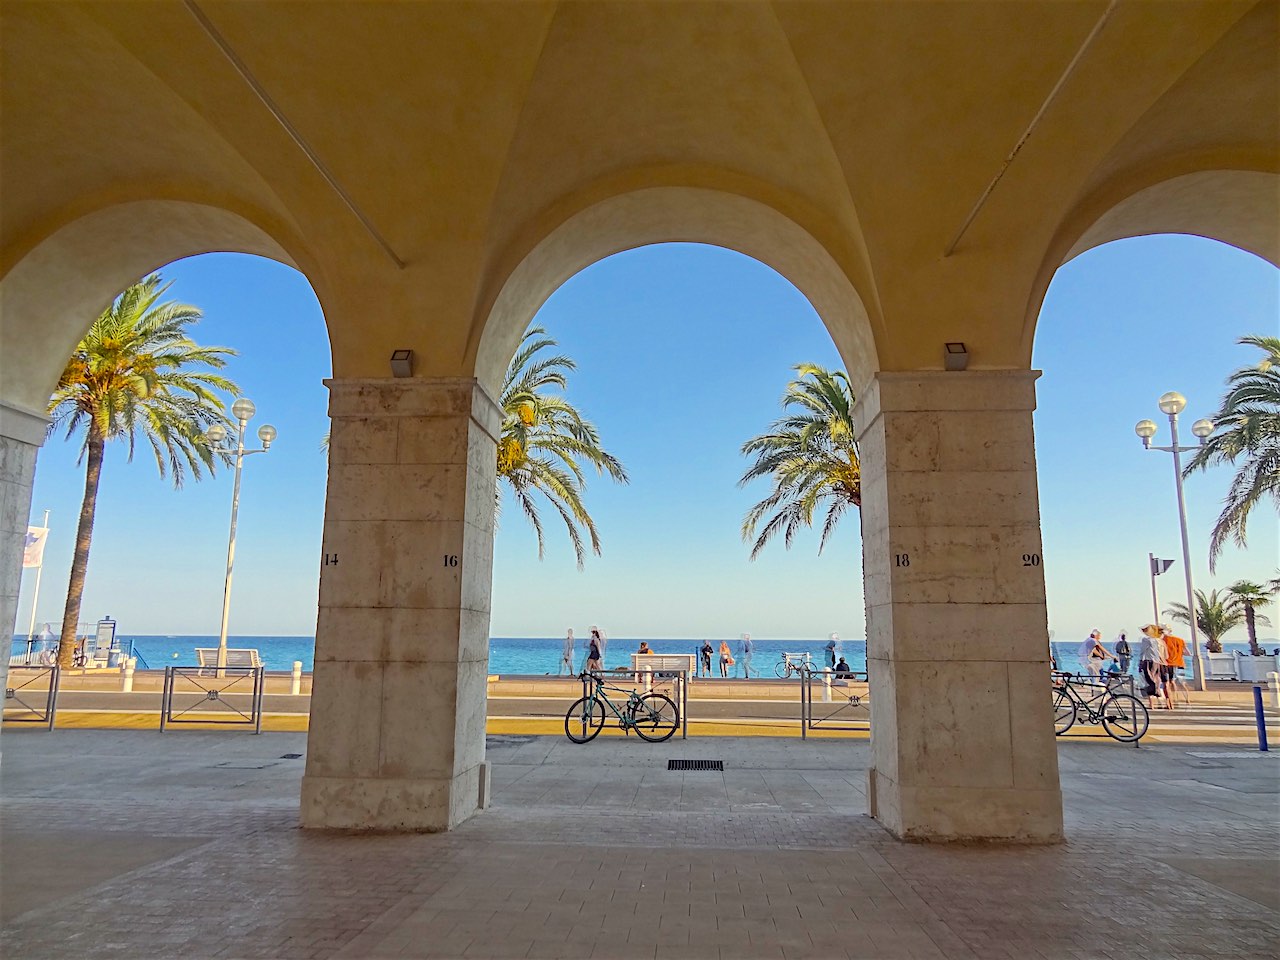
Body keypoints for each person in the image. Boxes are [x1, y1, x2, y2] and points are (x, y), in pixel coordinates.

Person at [1138, 624, 1169, 710]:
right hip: (1160, 663)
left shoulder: (1146, 640)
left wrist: (1140, 662)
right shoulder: (1160, 641)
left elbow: (1142, 652)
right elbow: (1166, 656)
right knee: (1162, 682)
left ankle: (1151, 704)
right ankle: (1168, 702)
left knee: (1149, 681)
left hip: (1149, 662)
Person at [1160, 624, 1190, 706]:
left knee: (1169, 682)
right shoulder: (1180, 640)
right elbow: (1188, 653)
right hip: (1180, 663)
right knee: (1181, 682)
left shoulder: (1163, 640)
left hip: (1168, 663)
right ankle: (1187, 699)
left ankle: (1172, 698)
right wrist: (1178, 653)